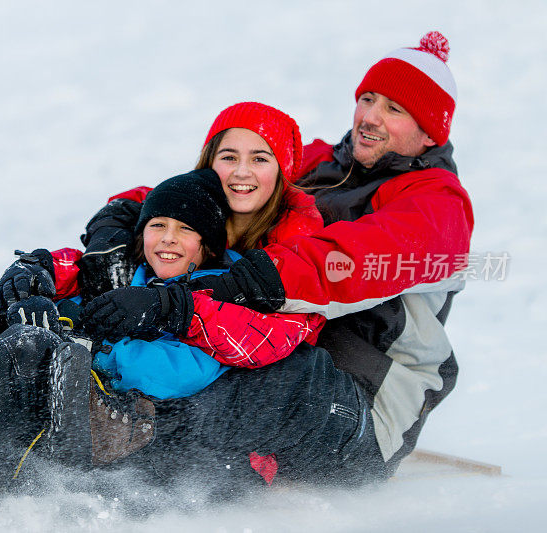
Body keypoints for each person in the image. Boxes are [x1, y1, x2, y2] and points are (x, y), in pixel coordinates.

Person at [53, 31, 474, 486]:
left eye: (393, 109)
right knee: (192, 351)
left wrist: (238, 283)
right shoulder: (319, 164)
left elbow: (346, 264)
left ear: (430, 131)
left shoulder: (439, 206)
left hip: (367, 402)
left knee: (278, 378)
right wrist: (121, 221)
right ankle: (76, 423)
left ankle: (118, 475)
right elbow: (211, 191)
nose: (369, 117)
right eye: (367, 99)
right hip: (270, 343)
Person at [0, 162, 323, 522]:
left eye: (186, 230)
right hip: (65, 390)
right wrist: (35, 290)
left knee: (26, 349)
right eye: (158, 225)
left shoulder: (213, 294)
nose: (168, 239)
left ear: (208, 244)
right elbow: (72, 279)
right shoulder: (131, 279)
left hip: (111, 417)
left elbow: (173, 373)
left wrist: (87, 343)